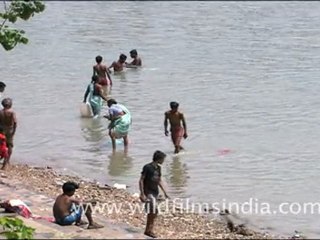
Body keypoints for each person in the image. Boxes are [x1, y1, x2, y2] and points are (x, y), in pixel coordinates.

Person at [139, 150, 169, 238]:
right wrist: (142, 193)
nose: (163, 161)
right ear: (159, 159)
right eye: (163, 159)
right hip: (148, 192)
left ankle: (148, 230)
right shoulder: (147, 167)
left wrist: (165, 192)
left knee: (152, 212)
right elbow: (141, 180)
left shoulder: (158, 168)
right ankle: (149, 230)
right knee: (154, 211)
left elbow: (159, 180)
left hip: (155, 192)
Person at [0, 98, 17, 170]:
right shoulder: (12, 112)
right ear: (10, 105)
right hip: (10, 130)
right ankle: (6, 162)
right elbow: (15, 122)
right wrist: (14, 131)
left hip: (2, 130)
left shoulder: (0, 112)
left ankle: (3, 158)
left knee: (2, 145)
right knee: (9, 146)